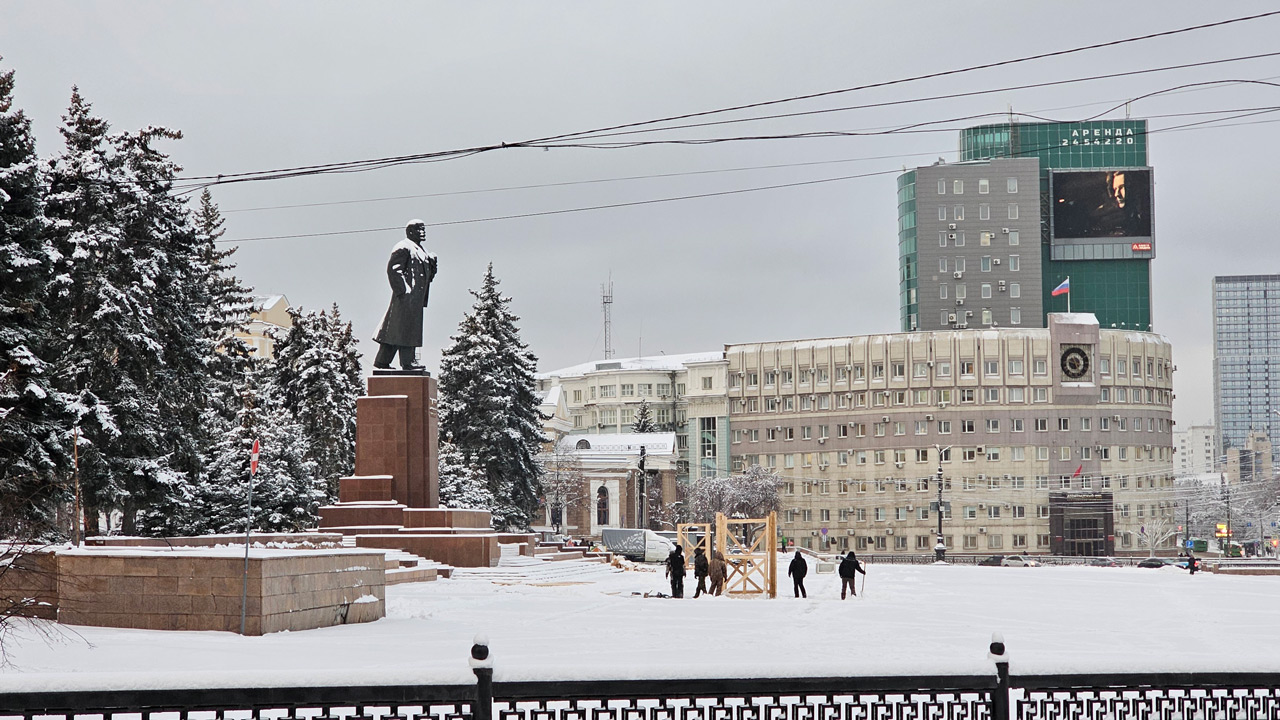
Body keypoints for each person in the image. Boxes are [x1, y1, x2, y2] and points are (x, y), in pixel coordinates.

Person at [373, 219, 438, 370]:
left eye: (423, 229)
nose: (422, 232)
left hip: (416, 299)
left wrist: (432, 266)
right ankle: (407, 362)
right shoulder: (403, 247)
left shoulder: (421, 251)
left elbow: (427, 277)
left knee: (398, 331)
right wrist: (404, 291)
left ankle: (382, 361)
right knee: (403, 329)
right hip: (406, 298)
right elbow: (394, 270)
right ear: (410, 232)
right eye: (419, 229)